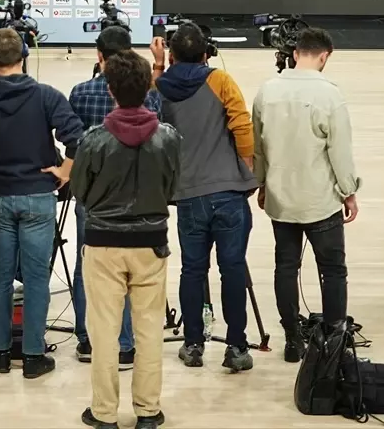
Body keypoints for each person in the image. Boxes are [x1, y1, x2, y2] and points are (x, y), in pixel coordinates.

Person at [0, 27, 85, 379]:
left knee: (0, 276)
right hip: (37, 196)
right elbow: (76, 138)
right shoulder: (46, 95)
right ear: (26, 57)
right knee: (35, 278)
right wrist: (64, 170)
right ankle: (33, 356)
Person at [70, 52, 179, 429]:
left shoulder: (93, 139)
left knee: (103, 331)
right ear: (149, 86)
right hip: (151, 242)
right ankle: (148, 411)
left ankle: (104, 414)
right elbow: (173, 188)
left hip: (103, 242)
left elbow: (80, 191)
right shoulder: (167, 138)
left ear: (111, 90)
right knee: (149, 330)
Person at [152, 23, 257, 373]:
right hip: (228, 192)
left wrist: (158, 65)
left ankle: (193, 344)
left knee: (193, 271)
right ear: (205, 52)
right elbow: (242, 124)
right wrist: (247, 167)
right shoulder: (220, 81)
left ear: (172, 54)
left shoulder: (161, 87)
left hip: (188, 195)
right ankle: (237, 347)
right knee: (233, 269)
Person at [252, 27, 360, 363]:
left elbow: (258, 147)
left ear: (295, 53)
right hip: (320, 200)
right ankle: (332, 340)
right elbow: (339, 151)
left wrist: (261, 185)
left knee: (285, 267)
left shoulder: (266, 91)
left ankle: (293, 339)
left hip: (281, 198)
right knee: (333, 270)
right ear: (325, 56)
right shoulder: (330, 94)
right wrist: (349, 191)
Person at [67, 26, 163, 368]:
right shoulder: (150, 96)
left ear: (99, 56)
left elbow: (73, 146)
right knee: (134, 270)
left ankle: (87, 339)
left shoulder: (80, 93)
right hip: (139, 193)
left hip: (92, 197)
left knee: (87, 265)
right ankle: (125, 343)